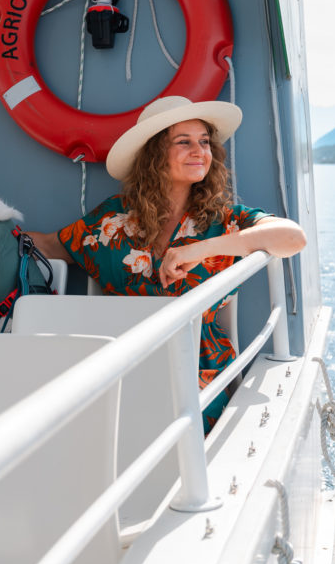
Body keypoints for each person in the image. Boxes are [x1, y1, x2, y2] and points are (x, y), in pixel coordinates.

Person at [26, 95, 306, 431]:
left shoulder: (224, 220)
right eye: (184, 142)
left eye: (204, 142)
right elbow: (50, 244)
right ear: (155, 154)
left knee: (174, 430)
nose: (199, 151)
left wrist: (197, 250)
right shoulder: (115, 218)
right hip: (122, 355)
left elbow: (292, 238)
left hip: (196, 364)